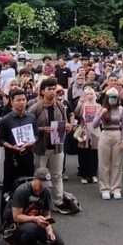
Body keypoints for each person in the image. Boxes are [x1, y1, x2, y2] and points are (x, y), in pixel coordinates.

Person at [27, 78, 74, 213]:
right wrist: (42, 129)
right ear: (42, 91)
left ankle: (57, 201)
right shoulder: (35, 107)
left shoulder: (60, 105)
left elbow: (64, 122)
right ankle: (38, 202)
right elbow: (29, 126)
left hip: (57, 147)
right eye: (49, 89)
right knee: (39, 176)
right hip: (41, 148)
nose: (53, 92)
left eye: (54, 89)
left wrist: (68, 127)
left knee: (56, 175)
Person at [0, 167, 65, 245]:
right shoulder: (22, 191)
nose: (42, 188)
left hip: (37, 222)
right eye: (41, 184)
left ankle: (32, 239)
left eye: (45, 185)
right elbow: (16, 217)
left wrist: (49, 229)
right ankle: (18, 244)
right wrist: (33, 219)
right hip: (18, 224)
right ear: (34, 179)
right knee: (31, 229)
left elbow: (47, 214)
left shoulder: (46, 192)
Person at [0, 89, 38, 191]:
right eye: (18, 100)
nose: (22, 102)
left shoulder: (31, 117)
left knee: (28, 182)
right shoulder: (5, 120)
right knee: (10, 185)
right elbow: (0, 140)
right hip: (12, 157)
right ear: (12, 102)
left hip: (28, 155)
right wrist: (12, 147)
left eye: (23, 100)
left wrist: (31, 142)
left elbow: (36, 135)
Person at [95, 88, 123, 200]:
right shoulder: (102, 109)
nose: (113, 99)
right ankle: (104, 188)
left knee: (117, 163)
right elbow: (95, 124)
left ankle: (116, 188)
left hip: (117, 134)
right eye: (111, 97)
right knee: (104, 163)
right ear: (107, 98)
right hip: (105, 134)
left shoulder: (121, 109)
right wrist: (101, 114)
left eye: (115, 97)